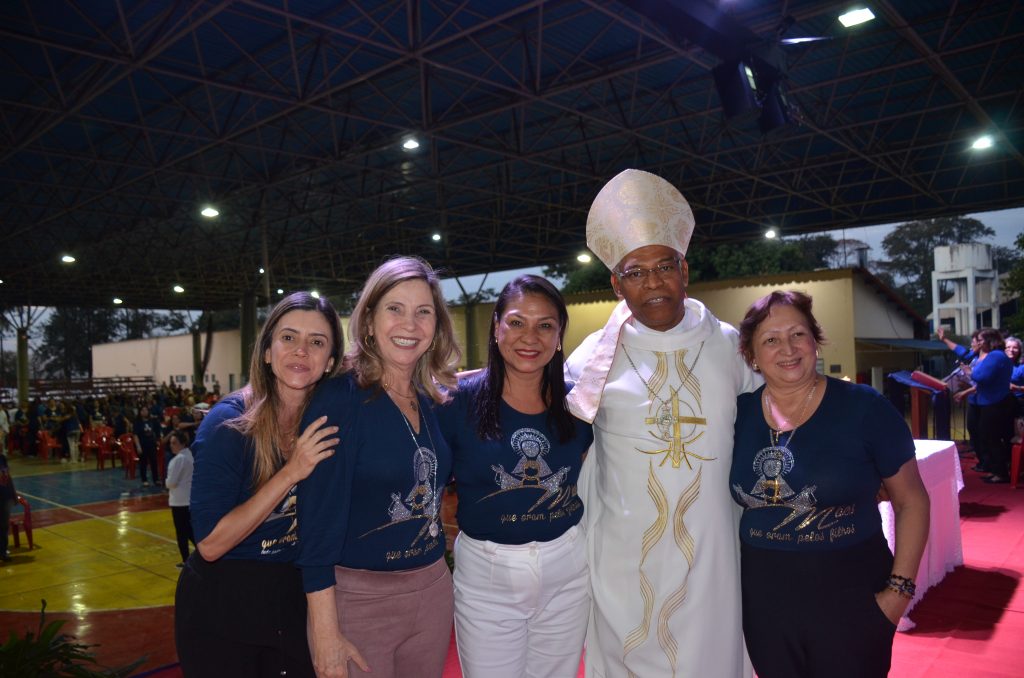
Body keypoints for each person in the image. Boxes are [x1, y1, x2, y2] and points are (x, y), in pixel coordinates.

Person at [564, 169, 759, 677]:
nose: (652, 282)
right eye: (635, 271)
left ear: (685, 270)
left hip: (712, 549)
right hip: (623, 552)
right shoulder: (592, 358)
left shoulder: (730, 346)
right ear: (616, 282)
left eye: (664, 266)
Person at [730, 290, 930, 677]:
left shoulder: (864, 407)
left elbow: (912, 502)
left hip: (852, 599)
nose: (787, 348)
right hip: (765, 605)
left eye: (798, 334)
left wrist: (898, 593)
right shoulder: (737, 416)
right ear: (752, 356)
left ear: (815, 341)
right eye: (770, 339)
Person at [298, 256, 461, 678]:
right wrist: (325, 627)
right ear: (368, 320)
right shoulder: (339, 399)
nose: (410, 324)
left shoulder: (432, 400)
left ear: (436, 326)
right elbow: (315, 519)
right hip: (360, 602)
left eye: (423, 312)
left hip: (432, 591)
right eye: (395, 309)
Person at [174, 292, 344, 678]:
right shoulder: (229, 424)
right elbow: (211, 544)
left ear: (330, 360)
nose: (301, 350)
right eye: (288, 337)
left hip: (288, 594)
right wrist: (290, 471)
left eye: (316, 342)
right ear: (267, 351)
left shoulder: (324, 420)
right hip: (223, 602)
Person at [438, 275, 594, 677]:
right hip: (487, 575)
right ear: (496, 327)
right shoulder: (456, 400)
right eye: (516, 322)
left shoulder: (579, 403)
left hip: (567, 571)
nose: (531, 337)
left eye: (545, 325)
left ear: (559, 335)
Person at [961, 328, 1015, 484]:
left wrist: (969, 371)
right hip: (992, 401)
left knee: (991, 438)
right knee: (989, 437)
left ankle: (1000, 473)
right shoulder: (996, 356)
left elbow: (980, 376)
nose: (978, 342)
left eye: (981, 340)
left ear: (991, 340)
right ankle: (995, 470)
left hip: (994, 402)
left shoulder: (995, 356)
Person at [937, 327, 984, 468]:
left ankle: (989, 463)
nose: (971, 345)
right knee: (973, 430)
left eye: (974, 342)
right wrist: (944, 339)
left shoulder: (985, 359)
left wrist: (966, 387)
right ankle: (982, 462)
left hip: (984, 401)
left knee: (983, 432)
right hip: (973, 400)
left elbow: (981, 382)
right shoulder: (972, 356)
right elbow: (960, 350)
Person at [165, 430, 195, 566]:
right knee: (189, 530)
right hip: (189, 499)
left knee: (182, 533)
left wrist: (166, 482)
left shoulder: (178, 460)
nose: (171, 446)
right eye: (171, 443)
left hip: (179, 501)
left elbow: (171, 482)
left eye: (174, 443)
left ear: (182, 443)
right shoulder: (190, 455)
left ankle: (185, 559)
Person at [133, 405, 161, 486]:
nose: (144, 412)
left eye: (146, 410)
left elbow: (157, 431)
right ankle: (144, 480)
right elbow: (135, 435)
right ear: (140, 412)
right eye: (142, 410)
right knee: (143, 463)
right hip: (142, 444)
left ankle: (156, 479)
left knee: (154, 462)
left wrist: (157, 440)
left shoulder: (152, 421)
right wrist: (138, 446)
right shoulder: (137, 422)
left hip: (152, 444)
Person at [0, 449, 16, 562]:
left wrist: (13, 494)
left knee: (4, 526)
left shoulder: (2, 458)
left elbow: (7, 476)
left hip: (5, 496)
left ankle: (3, 551)